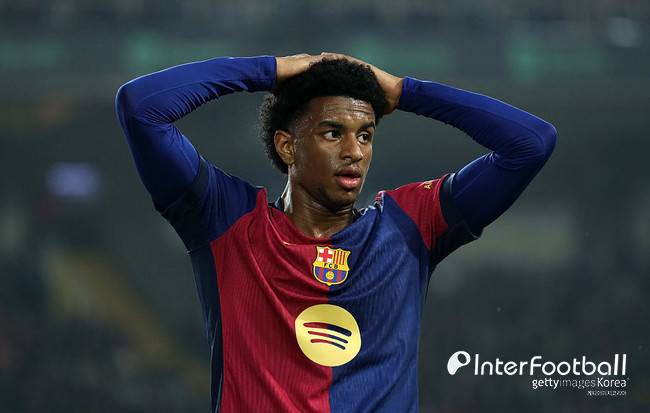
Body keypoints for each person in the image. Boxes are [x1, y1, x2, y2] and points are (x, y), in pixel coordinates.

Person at [115, 52, 557, 412]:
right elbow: (141, 107)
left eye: (365, 135)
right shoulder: (226, 221)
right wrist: (269, 70)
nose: (354, 152)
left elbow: (531, 143)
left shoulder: (410, 225)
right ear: (287, 146)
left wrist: (405, 91)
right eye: (333, 133)